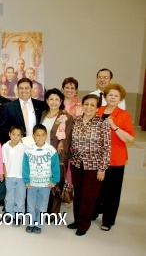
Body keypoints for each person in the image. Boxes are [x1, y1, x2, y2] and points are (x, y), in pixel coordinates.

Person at [67, 94, 111, 236]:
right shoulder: (77, 121)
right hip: (76, 164)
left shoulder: (102, 123)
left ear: (97, 108)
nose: (89, 107)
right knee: (78, 194)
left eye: (92, 105)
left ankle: (84, 225)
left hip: (94, 166)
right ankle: (77, 220)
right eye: (86, 104)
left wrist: (102, 169)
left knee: (88, 196)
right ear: (82, 105)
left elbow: (107, 148)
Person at [93, 84, 135, 231]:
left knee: (112, 191)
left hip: (115, 158)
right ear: (105, 96)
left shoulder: (124, 115)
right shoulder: (98, 111)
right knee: (97, 188)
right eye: (110, 95)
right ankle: (94, 211)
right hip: (97, 157)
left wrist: (114, 126)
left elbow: (129, 138)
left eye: (116, 96)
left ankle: (108, 220)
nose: (112, 97)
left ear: (120, 99)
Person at [40, 88, 73, 215]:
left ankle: (52, 213)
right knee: (44, 182)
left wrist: (61, 143)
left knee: (55, 184)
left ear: (61, 101)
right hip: (43, 154)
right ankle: (43, 208)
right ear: (47, 101)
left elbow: (68, 136)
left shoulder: (66, 117)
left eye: (57, 99)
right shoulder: (43, 114)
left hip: (57, 155)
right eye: (51, 99)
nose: (54, 102)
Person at [23, 124, 60, 234]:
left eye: (43, 135)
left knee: (42, 206)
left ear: (46, 136)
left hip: (46, 184)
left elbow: (55, 167)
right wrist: (26, 180)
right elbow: (25, 167)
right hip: (32, 184)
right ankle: (30, 223)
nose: (40, 138)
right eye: (37, 135)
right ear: (33, 136)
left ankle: (39, 224)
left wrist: (54, 180)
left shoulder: (51, 150)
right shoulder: (29, 150)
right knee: (30, 205)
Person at [0, 78, 47, 145]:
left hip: (36, 145)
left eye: (27, 88)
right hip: (16, 145)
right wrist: (16, 139)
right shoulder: (7, 107)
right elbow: (3, 129)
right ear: (17, 90)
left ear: (31, 89)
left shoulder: (41, 106)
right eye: (21, 88)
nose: (24, 91)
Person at [2, 125, 26, 226]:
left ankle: (19, 216)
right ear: (9, 134)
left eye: (18, 135)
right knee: (10, 196)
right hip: (9, 176)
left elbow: (26, 163)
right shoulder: (5, 146)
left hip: (21, 177)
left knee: (20, 197)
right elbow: (3, 161)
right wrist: (4, 172)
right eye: (13, 134)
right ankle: (9, 214)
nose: (15, 137)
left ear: (21, 136)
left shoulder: (24, 148)